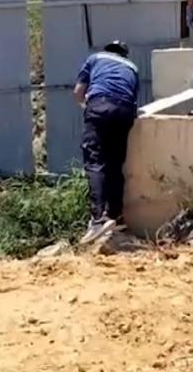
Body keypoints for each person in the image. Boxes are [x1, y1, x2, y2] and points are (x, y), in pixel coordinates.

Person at [73, 41, 140, 244]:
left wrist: (87, 107)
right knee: (115, 163)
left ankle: (98, 218)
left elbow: (78, 92)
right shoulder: (132, 67)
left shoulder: (95, 58)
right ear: (124, 55)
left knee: (94, 162)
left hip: (100, 106)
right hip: (125, 111)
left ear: (107, 49)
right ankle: (116, 216)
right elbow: (133, 97)